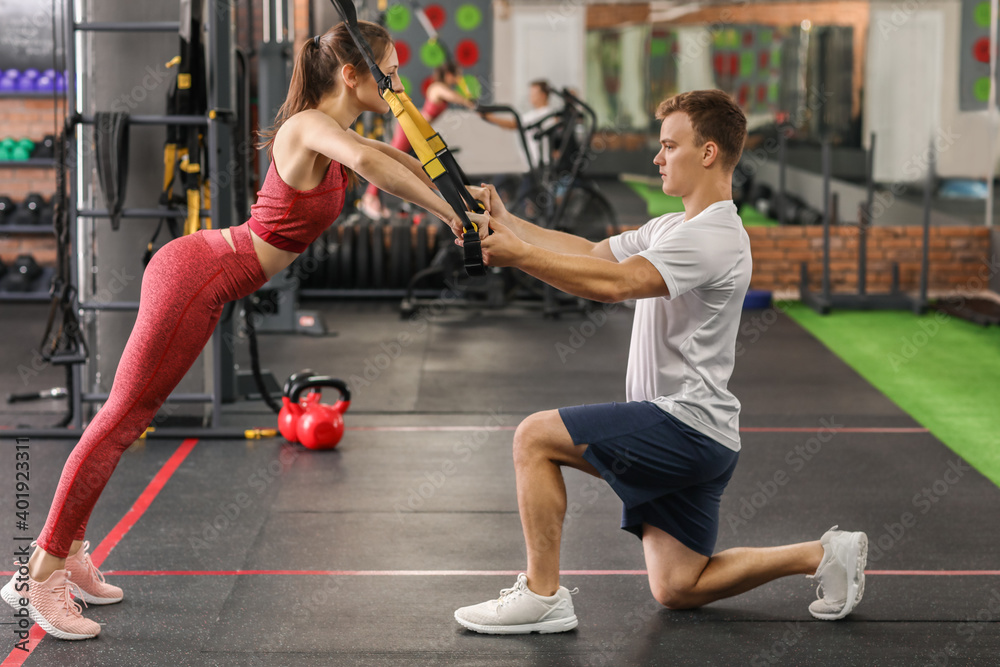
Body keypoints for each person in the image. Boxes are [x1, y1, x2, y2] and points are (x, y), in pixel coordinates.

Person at [1, 21, 482, 641]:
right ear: (352, 75)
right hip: (194, 277)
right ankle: (37, 574)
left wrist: (463, 193)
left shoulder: (333, 130)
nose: (397, 87)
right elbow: (369, 162)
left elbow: (391, 156)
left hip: (206, 275)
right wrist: (451, 214)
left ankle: (67, 552)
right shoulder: (310, 127)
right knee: (120, 419)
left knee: (126, 418)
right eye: (388, 73)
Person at [453, 89, 867, 634]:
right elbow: (592, 254)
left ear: (709, 152)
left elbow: (616, 285)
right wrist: (511, 223)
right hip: (706, 435)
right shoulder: (673, 227)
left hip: (683, 423)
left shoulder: (715, 237)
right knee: (678, 585)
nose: (658, 156)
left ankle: (543, 595)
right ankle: (823, 554)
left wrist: (517, 256)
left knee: (534, 438)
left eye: (670, 145)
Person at [360, 61, 476, 219]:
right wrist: (469, 102)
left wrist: (466, 94)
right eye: (456, 76)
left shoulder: (442, 87)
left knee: (397, 161)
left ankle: (374, 199)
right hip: (410, 128)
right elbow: (454, 98)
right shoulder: (437, 87)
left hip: (418, 130)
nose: (457, 79)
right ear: (448, 74)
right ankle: (369, 198)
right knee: (389, 160)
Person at [481, 78, 559, 176]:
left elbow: (513, 124)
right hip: (533, 166)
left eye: (534, 94)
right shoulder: (535, 114)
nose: (530, 97)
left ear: (543, 95)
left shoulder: (547, 114)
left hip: (542, 168)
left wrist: (489, 117)